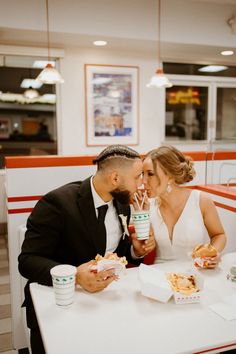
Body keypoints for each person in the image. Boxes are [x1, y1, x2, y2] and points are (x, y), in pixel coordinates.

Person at [18, 144, 156, 354]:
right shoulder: (57, 203)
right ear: (115, 178)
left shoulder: (122, 204)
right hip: (58, 305)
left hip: (102, 304)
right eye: (138, 176)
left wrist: (134, 251)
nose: (142, 183)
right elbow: (27, 261)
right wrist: (75, 276)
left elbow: (115, 251)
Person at [134, 145, 226, 264]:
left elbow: (219, 235)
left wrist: (214, 252)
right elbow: (144, 246)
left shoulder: (201, 200)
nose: (143, 181)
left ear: (170, 177)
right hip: (159, 275)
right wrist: (141, 215)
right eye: (143, 174)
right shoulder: (147, 206)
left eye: (150, 174)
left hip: (196, 272)